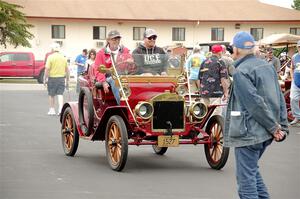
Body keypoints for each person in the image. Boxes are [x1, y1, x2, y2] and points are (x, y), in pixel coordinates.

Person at [224, 31, 289, 199]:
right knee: (252, 173)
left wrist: (275, 128)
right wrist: (282, 125)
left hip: (249, 132)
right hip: (265, 131)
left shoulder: (241, 72)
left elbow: (254, 103)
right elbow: (280, 97)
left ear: (236, 51)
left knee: (246, 183)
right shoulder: (267, 66)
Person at [93, 30, 131, 105]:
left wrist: (130, 62)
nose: (116, 41)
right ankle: (122, 104)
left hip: (124, 76)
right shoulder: (101, 53)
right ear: (108, 40)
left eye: (118, 39)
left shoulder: (125, 50)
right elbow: (98, 70)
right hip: (109, 77)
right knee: (115, 79)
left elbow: (131, 65)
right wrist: (103, 82)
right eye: (113, 39)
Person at [197, 44, 229, 115]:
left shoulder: (204, 62)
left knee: (204, 113)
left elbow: (199, 79)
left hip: (204, 92)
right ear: (220, 52)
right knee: (215, 114)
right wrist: (226, 93)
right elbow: (223, 79)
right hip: (216, 93)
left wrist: (200, 91)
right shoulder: (220, 62)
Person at [43, 43, 69, 115]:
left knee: (51, 94)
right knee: (60, 94)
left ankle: (52, 110)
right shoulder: (63, 57)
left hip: (52, 78)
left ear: (53, 49)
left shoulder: (50, 57)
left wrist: (45, 79)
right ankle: (60, 109)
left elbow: (47, 69)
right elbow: (67, 69)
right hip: (61, 78)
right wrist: (68, 80)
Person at [289, 40, 300, 125]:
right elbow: (292, 68)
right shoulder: (294, 57)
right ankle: (297, 117)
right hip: (296, 82)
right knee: (293, 99)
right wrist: (292, 77)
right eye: (299, 47)